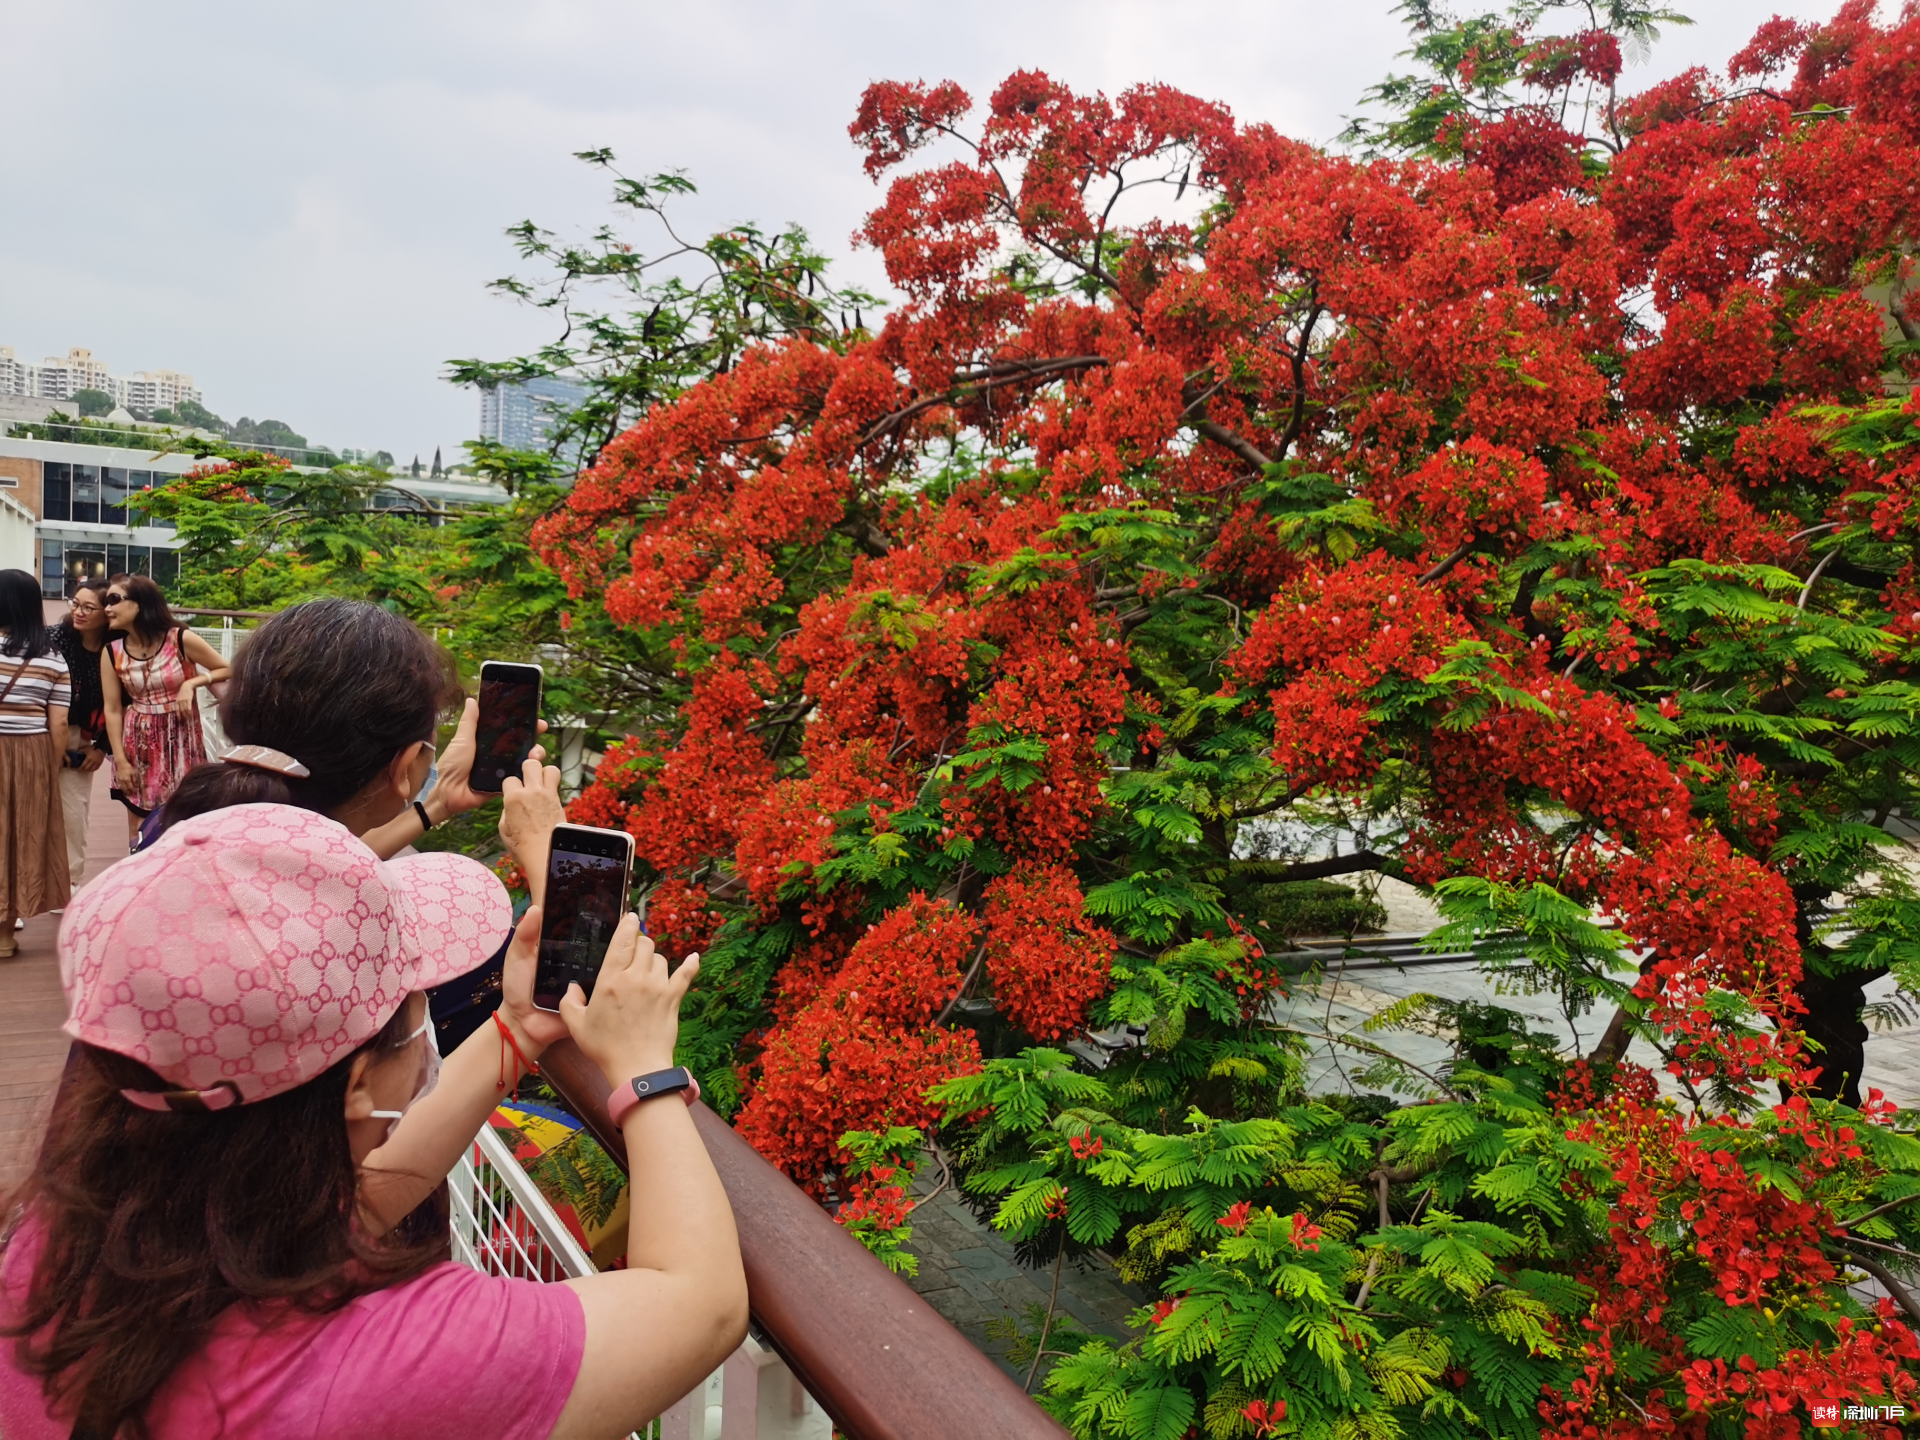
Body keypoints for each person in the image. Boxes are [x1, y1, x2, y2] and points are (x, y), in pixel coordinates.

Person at [0, 803, 747, 1436]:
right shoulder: (394, 1358)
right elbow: (701, 1305)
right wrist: (643, 1068)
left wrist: (515, 1030)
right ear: (359, 1083)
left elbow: (350, 1207)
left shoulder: (63, 1241)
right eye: (413, 996)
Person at [156, 595, 565, 1048]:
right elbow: (576, 978)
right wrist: (548, 853)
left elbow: (309, 868)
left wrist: (438, 805)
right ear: (409, 762)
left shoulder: (189, 824)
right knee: (492, 959)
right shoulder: (340, 953)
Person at [100, 576, 230, 844]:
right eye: (106, 601)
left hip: (182, 741)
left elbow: (227, 668)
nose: (107, 608)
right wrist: (120, 761)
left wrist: (192, 683)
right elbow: (112, 709)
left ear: (140, 604)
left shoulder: (179, 638)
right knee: (138, 827)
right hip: (138, 744)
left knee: (184, 821)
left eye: (114, 600)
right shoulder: (112, 651)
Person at [0, 570, 71, 956]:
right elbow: (58, 722)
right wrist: (51, 764)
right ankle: (5, 937)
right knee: (21, 836)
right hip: (31, 752)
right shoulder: (53, 658)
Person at [53, 581, 111, 889]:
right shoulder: (54, 639)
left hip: (83, 738)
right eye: (75, 603)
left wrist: (102, 748)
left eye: (88, 607)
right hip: (44, 732)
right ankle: (12, 896)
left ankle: (68, 886)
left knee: (74, 817)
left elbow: (124, 703)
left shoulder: (116, 647)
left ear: (107, 612)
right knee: (25, 814)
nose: (78, 612)